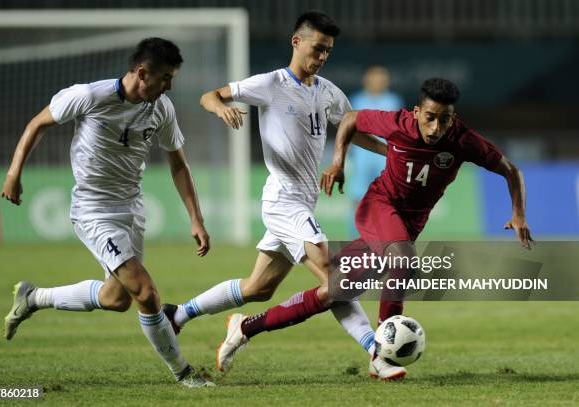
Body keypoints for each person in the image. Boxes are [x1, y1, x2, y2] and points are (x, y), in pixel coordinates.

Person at [222, 77, 533, 381]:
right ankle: (381, 357)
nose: (436, 128)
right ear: (415, 112)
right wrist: (339, 162)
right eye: (430, 118)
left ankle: (245, 327)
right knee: (404, 260)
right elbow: (351, 119)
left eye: (445, 120)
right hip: (378, 207)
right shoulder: (397, 123)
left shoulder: (463, 141)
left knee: (333, 292)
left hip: (407, 224)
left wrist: (518, 214)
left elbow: (510, 170)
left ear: (454, 118)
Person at [161, 11, 389, 377]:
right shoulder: (270, 84)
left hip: (302, 200)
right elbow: (209, 95)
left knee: (259, 287)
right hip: (283, 200)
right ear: (296, 42)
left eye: (328, 51)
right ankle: (375, 350)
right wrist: (221, 107)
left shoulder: (328, 91)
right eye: (317, 48)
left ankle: (180, 313)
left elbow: (351, 128)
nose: (322, 57)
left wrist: (387, 152)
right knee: (334, 279)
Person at [1, 38, 214, 388]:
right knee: (146, 294)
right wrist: (13, 174)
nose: (169, 86)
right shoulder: (89, 96)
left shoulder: (161, 108)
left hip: (132, 208)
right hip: (94, 211)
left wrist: (196, 218)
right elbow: (36, 124)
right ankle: (184, 373)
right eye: (164, 78)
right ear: (142, 73)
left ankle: (33, 297)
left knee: (115, 299)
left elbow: (179, 164)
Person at [347, 66, 403, 237]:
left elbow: (400, 131)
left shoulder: (394, 101)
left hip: (386, 159)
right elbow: (348, 129)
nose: (378, 82)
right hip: (361, 159)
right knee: (358, 199)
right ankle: (356, 240)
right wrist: (344, 156)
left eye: (382, 79)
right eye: (374, 78)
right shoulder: (356, 100)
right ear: (366, 81)